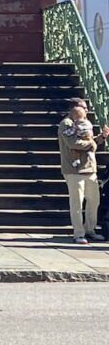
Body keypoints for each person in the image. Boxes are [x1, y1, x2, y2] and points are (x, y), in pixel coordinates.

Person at [58, 98, 109, 244]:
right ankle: (79, 233)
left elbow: (90, 142)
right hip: (74, 169)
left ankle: (90, 229)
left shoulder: (85, 124)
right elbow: (73, 143)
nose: (86, 110)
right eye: (84, 107)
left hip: (90, 168)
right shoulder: (67, 124)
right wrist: (92, 143)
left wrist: (101, 137)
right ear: (75, 108)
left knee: (94, 201)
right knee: (77, 203)